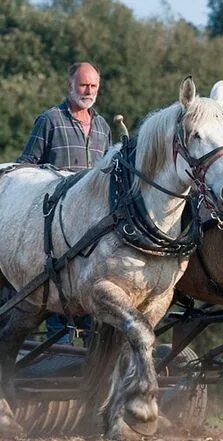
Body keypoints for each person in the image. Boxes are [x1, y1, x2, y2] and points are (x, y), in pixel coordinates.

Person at [18, 61, 111, 344]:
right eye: (84, 84)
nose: (89, 91)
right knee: (60, 288)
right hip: (55, 225)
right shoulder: (49, 120)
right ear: (69, 85)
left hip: (91, 226)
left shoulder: (103, 126)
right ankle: (55, 359)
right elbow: (25, 168)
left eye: (93, 86)